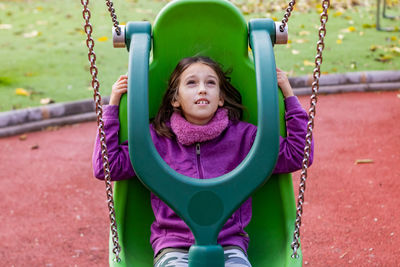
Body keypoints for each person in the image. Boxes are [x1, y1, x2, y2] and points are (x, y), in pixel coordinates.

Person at [93, 56, 313, 267]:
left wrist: (288, 95)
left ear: (220, 98)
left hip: (228, 246)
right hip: (174, 247)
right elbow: (107, 166)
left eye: (210, 83)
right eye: (191, 83)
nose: (202, 89)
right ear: (175, 99)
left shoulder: (246, 138)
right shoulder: (155, 141)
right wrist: (112, 107)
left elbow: (298, 154)